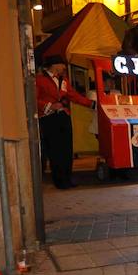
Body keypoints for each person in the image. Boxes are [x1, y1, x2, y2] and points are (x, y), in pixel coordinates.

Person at [35, 56, 96, 189]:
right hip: (49, 118)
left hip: (63, 116)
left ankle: (67, 178)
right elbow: (34, 99)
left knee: (67, 149)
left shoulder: (64, 81)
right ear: (55, 65)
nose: (64, 68)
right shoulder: (40, 80)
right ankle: (59, 181)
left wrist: (92, 104)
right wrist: (50, 105)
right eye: (62, 65)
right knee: (55, 150)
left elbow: (74, 96)